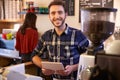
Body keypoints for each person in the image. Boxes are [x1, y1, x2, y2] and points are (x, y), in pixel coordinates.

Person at [31, 0, 89, 80]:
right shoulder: (46, 36)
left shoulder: (78, 35)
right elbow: (34, 55)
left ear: (66, 15)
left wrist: (73, 68)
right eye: (53, 13)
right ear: (49, 16)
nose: (57, 16)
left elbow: (90, 58)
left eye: (60, 12)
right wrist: (44, 66)